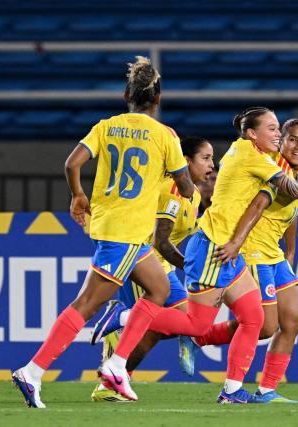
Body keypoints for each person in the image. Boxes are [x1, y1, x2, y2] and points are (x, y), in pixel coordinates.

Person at [91, 106, 298, 404]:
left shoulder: (249, 152)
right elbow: (293, 189)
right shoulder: (250, 155)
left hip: (228, 250)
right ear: (252, 134)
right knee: (197, 325)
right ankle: (124, 315)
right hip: (213, 247)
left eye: (277, 128)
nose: (278, 134)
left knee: (253, 317)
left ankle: (232, 391)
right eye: (272, 128)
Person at [11, 56, 195, 408]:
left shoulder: (106, 126)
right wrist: (176, 177)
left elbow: (72, 163)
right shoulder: (164, 135)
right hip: (125, 232)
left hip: (117, 229)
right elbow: (186, 187)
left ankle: (117, 364)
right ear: (157, 99)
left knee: (157, 288)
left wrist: (78, 194)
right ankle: (33, 371)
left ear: (127, 95)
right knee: (86, 304)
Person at [178, 118, 298, 404]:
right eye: (292, 140)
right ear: (280, 142)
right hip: (253, 251)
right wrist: (237, 243)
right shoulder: (272, 167)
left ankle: (267, 390)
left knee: (293, 321)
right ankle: (199, 337)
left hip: (274, 254)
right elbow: (259, 205)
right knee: (263, 326)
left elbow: (291, 215)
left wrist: (290, 251)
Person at [89, 135, 214, 402]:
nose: (212, 165)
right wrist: (193, 268)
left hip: (161, 263)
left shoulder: (195, 195)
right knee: (189, 321)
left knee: (157, 330)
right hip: (143, 261)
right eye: (205, 158)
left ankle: (112, 381)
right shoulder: (172, 190)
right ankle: (121, 319)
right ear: (186, 161)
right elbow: (161, 240)